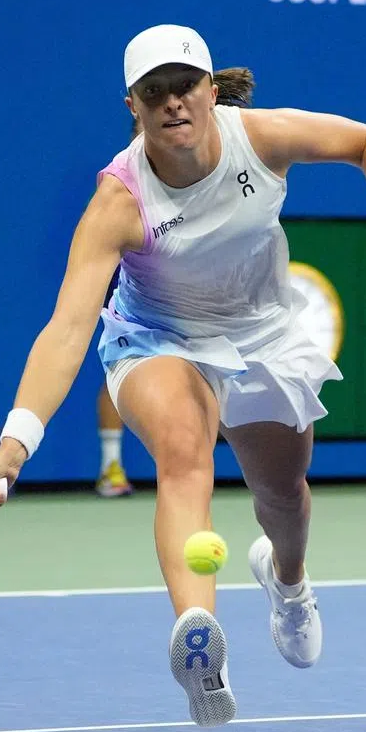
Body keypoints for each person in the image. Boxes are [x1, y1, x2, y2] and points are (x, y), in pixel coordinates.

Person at [0, 24, 366, 726]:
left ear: (211, 91)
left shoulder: (260, 138)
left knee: (282, 490)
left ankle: (288, 581)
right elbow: (65, 330)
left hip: (262, 332)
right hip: (156, 337)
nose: (173, 102)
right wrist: (15, 444)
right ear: (133, 105)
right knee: (184, 454)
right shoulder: (119, 202)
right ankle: (201, 645)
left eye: (185, 86)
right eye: (156, 92)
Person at [96, 67, 259, 499]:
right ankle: (111, 465)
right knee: (129, 355)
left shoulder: (229, 157)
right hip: (142, 277)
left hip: (215, 299)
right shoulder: (123, 189)